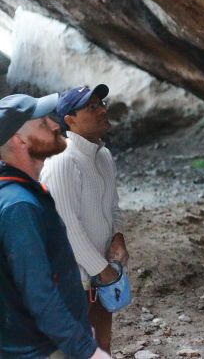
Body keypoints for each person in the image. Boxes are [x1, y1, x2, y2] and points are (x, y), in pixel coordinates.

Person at [0, 93, 111, 359]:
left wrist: (80, 329)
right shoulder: (19, 205)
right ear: (20, 140)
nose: (54, 125)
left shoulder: (23, 192)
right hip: (40, 349)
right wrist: (87, 350)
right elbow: (39, 293)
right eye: (42, 124)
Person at [40, 85, 128, 353]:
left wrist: (118, 237)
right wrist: (103, 270)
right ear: (70, 120)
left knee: (102, 345)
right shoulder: (62, 161)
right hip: (73, 279)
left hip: (101, 275)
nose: (102, 110)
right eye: (91, 107)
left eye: (102, 103)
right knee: (76, 349)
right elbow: (67, 227)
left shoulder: (103, 155)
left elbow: (113, 207)